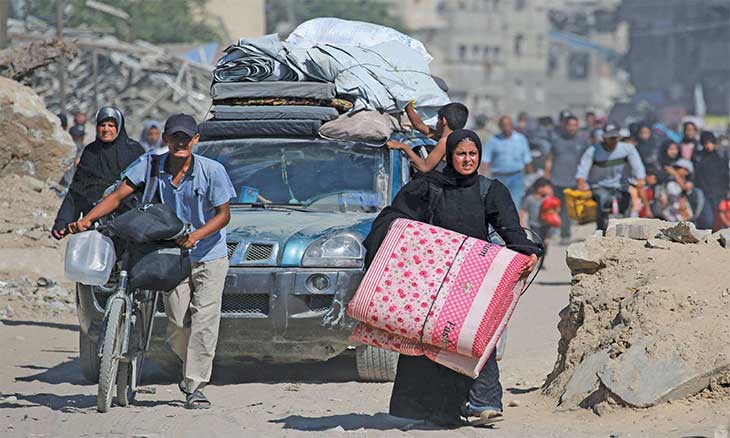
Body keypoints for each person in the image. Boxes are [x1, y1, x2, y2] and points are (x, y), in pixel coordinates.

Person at [363, 129, 541, 427]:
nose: (467, 159)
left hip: (473, 277)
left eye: (473, 154)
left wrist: (525, 251)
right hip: (433, 277)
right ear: (450, 156)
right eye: (461, 154)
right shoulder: (428, 187)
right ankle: (433, 409)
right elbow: (396, 217)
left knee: (475, 338)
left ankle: (483, 403)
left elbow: (509, 227)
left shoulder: (489, 189)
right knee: (432, 343)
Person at [67, 113, 236, 409]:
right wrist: (88, 220)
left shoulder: (213, 171)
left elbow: (224, 215)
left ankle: (195, 385)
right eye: (175, 137)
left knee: (205, 319)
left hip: (209, 254)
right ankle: (191, 365)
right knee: (176, 323)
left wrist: (195, 235)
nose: (180, 143)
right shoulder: (152, 164)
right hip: (172, 254)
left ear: (196, 140)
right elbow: (119, 195)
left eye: (186, 138)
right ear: (165, 139)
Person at [52, 107, 145, 239]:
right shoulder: (90, 153)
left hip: (127, 225)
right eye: (102, 125)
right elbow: (76, 192)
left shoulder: (134, 151)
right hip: (93, 224)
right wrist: (63, 221)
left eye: (111, 125)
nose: (106, 129)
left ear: (119, 127)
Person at [576, 122, 647, 232]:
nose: (613, 141)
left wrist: (641, 178)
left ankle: (626, 229)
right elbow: (583, 167)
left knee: (626, 203)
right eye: (610, 138)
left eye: (615, 138)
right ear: (604, 138)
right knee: (603, 201)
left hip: (621, 184)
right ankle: (601, 229)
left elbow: (637, 165)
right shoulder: (593, 150)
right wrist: (581, 181)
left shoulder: (627, 148)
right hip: (600, 185)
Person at [386, 102, 469, 173]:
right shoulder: (454, 138)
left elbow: (424, 167)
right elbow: (420, 126)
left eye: (438, 119)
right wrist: (408, 106)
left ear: (443, 121)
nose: (436, 123)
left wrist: (403, 147)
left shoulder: (445, 141)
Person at [544, 113, 586, 245]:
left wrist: (583, 179)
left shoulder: (582, 142)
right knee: (554, 207)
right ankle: (551, 232)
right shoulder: (557, 141)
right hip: (557, 180)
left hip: (573, 180)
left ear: (577, 126)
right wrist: (547, 176)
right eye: (569, 125)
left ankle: (565, 234)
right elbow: (550, 160)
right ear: (564, 126)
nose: (572, 128)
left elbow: (585, 162)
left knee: (566, 210)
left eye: (574, 125)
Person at [481, 115, 533, 208]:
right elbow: (485, 160)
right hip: (499, 177)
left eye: (508, 125)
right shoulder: (493, 141)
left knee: (514, 204)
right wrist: (482, 178)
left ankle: (513, 222)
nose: (506, 127)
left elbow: (527, 160)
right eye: (503, 125)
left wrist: (530, 176)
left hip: (516, 177)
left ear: (512, 125)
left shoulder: (521, 139)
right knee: (498, 204)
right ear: (500, 126)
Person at [694, 131, 730, 229]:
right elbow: (697, 176)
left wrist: (726, 191)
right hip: (704, 192)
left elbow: (725, 175)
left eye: (710, 142)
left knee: (719, 219)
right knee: (708, 220)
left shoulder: (721, 157)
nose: (708, 145)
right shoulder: (699, 157)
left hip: (719, 193)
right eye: (706, 143)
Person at [520, 178, 559, 259]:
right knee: (537, 241)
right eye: (543, 187)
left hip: (546, 224)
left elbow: (556, 207)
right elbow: (523, 210)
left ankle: (542, 258)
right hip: (534, 224)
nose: (545, 189)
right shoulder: (530, 199)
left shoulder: (548, 199)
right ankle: (537, 257)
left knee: (545, 242)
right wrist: (521, 220)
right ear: (537, 188)